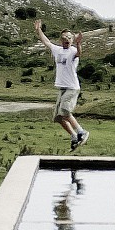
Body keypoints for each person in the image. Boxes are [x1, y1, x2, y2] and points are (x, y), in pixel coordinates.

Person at [34, 18, 87, 149]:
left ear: (72, 40)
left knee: (64, 111)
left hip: (72, 87)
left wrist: (79, 43)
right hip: (62, 88)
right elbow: (46, 41)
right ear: (61, 40)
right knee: (58, 117)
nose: (67, 40)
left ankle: (82, 131)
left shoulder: (73, 51)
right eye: (64, 38)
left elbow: (79, 53)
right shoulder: (57, 50)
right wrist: (38, 30)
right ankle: (74, 137)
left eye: (69, 38)